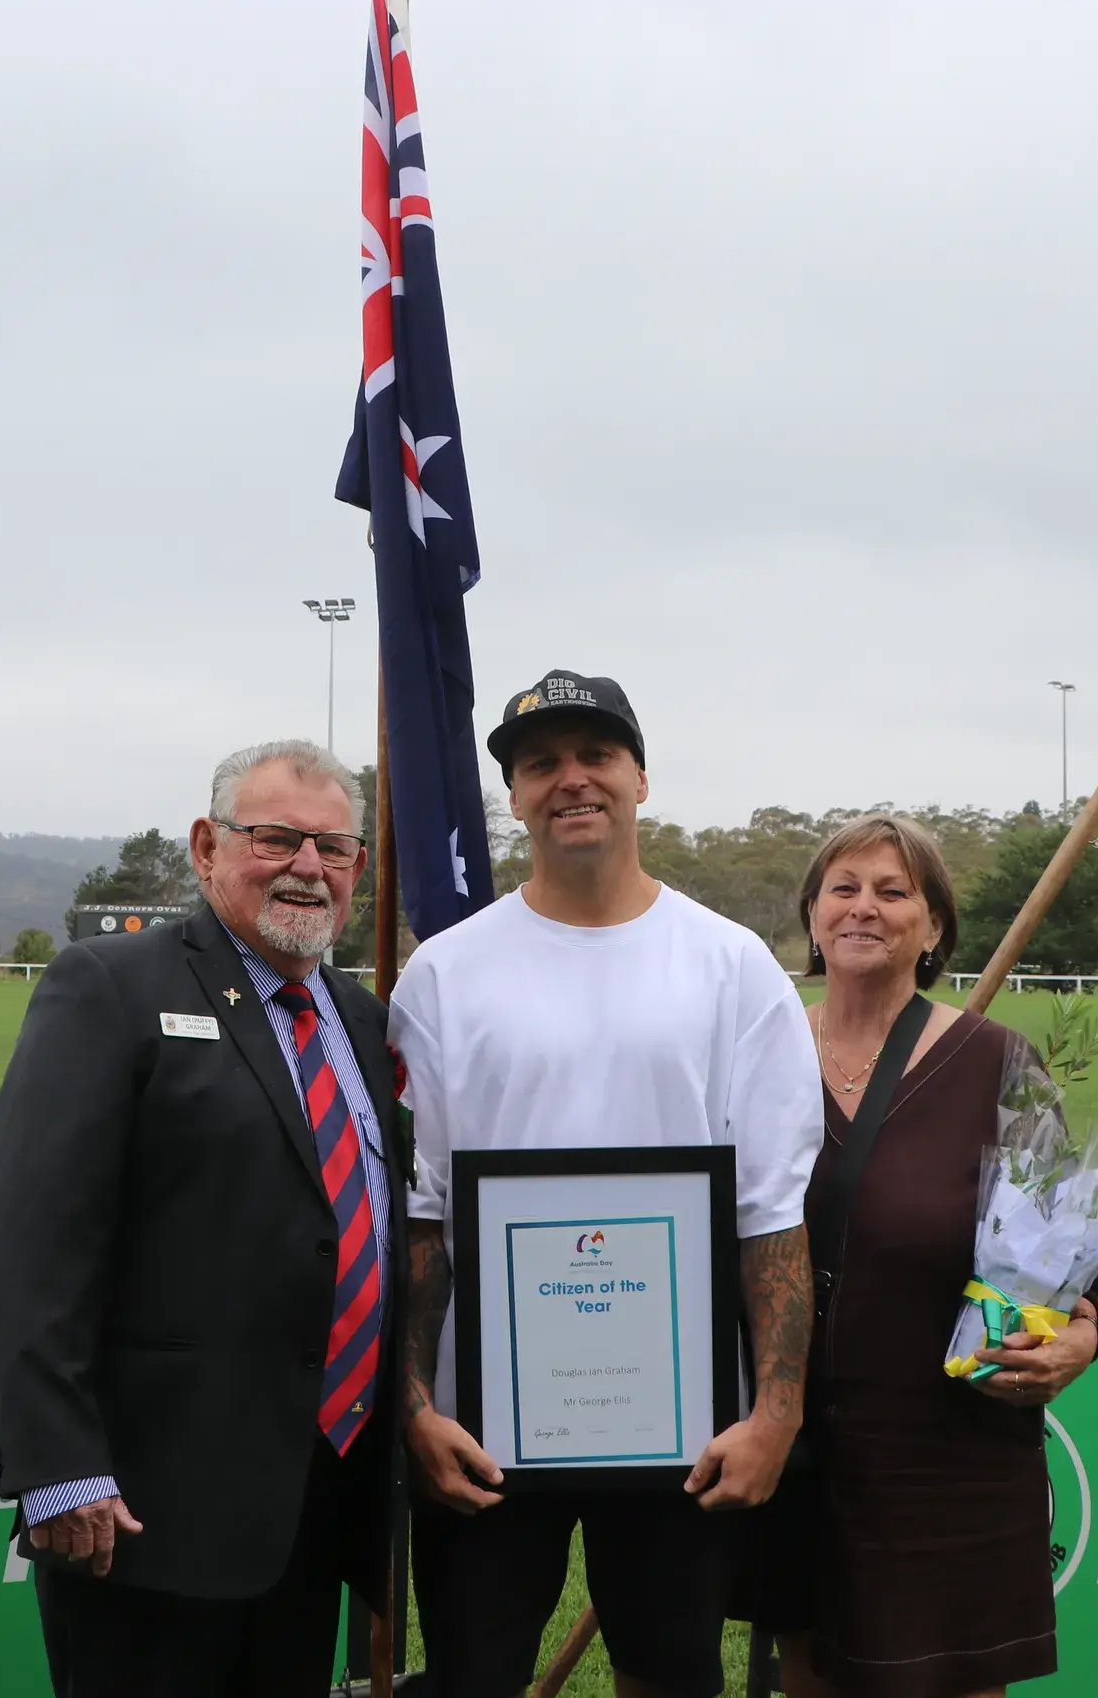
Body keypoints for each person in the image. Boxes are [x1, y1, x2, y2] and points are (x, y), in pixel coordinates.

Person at [391, 669, 823, 1698]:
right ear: (515, 794)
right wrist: (411, 1404)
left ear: (639, 777)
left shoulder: (731, 966)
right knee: (471, 1673)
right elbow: (419, 1213)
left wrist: (776, 1411)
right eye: (540, 763)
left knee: (671, 1671)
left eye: (595, 756)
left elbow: (771, 1214)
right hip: (481, 1422)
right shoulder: (446, 972)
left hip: (679, 1422)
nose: (569, 779)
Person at [0, 739, 404, 1698]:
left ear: (358, 871)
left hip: (317, 1497)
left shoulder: (363, 1020)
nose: (306, 866)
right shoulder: (109, 987)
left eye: (332, 848)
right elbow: (36, 1247)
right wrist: (58, 1467)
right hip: (143, 1511)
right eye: (276, 839)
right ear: (208, 847)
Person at [740, 814, 1098, 1698]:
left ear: (934, 928)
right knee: (809, 1674)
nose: (864, 909)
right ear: (811, 917)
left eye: (893, 891)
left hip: (949, 1456)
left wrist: (1074, 1341)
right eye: (843, 888)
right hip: (792, 1440)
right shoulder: (755, 1054)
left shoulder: (999, 1064)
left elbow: (1079, 1277)